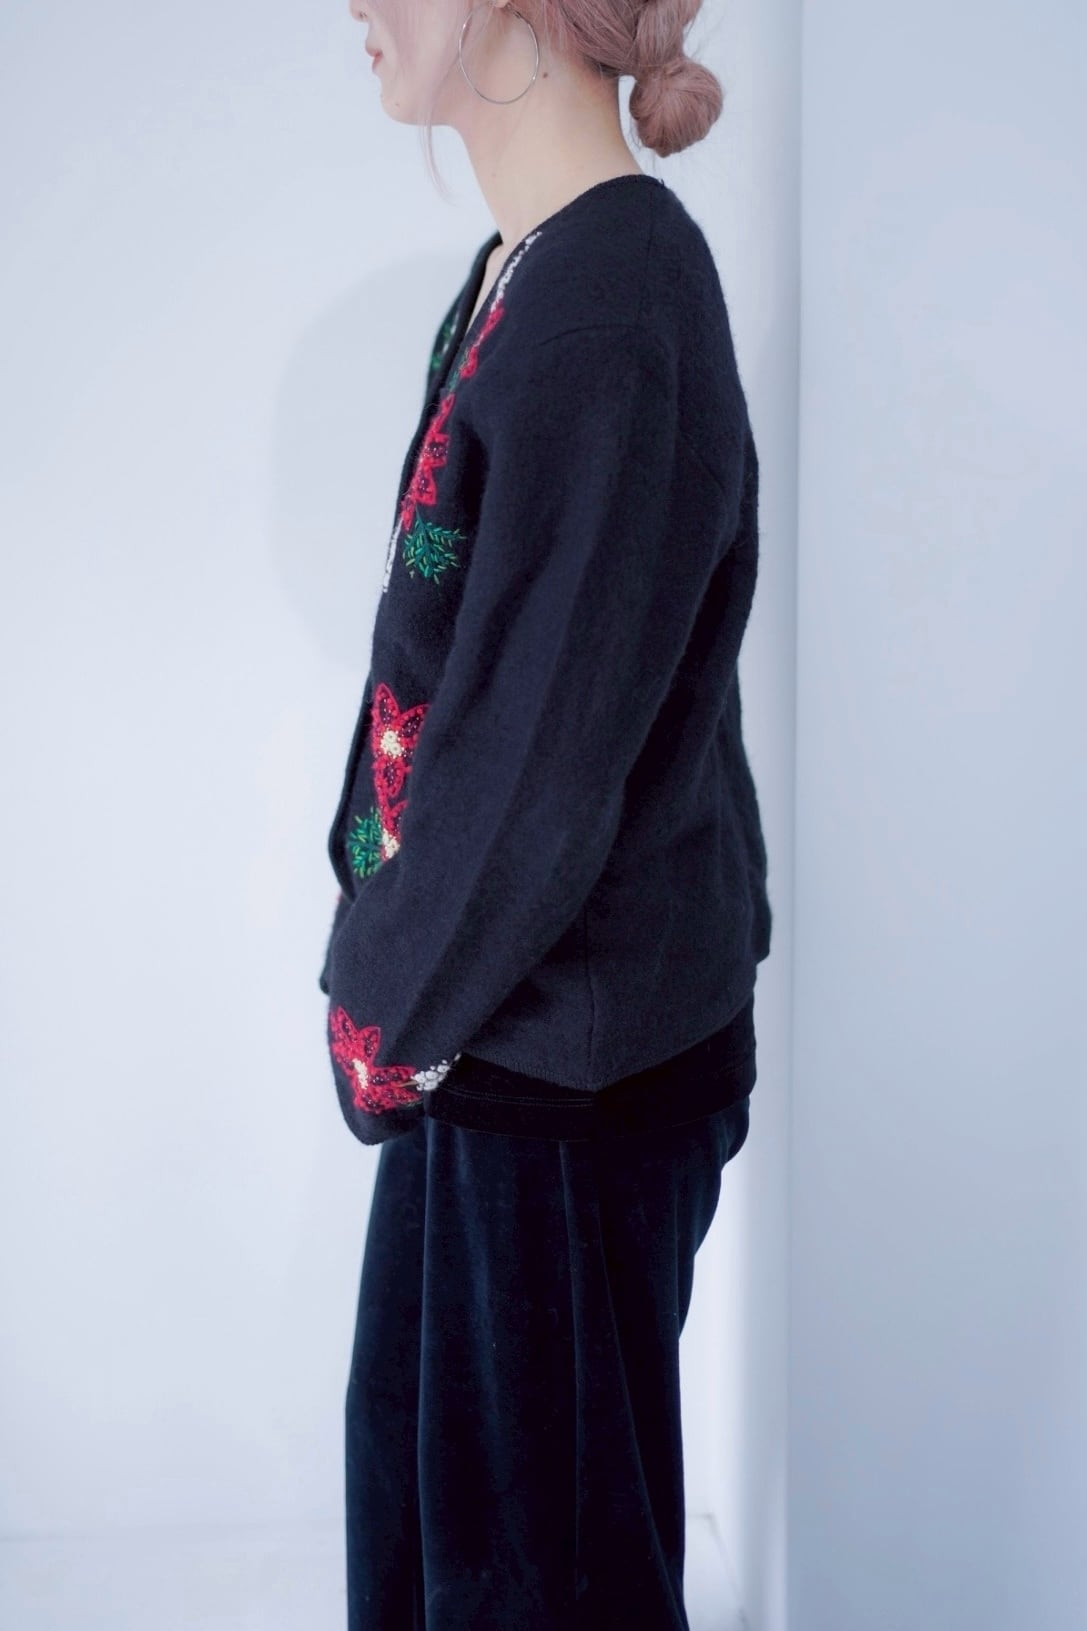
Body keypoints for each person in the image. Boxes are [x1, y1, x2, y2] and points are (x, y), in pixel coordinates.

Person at [326, 0, 773, 1624]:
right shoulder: (531, 272)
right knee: (432, 1531)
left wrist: (381, 1009)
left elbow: (537, 761)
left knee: (536, 1588)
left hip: (558, 1066)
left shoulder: (608, 309)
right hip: (492, 1032)